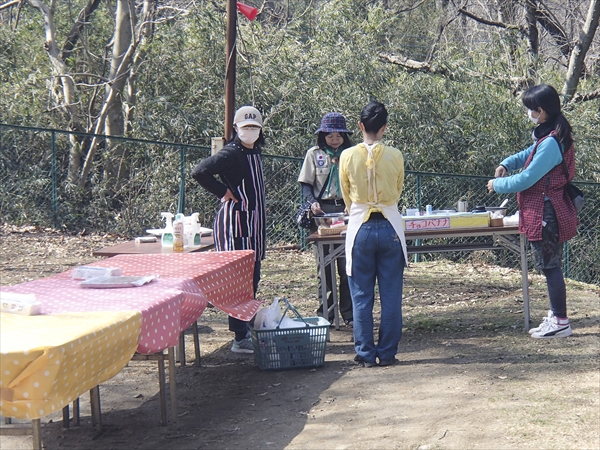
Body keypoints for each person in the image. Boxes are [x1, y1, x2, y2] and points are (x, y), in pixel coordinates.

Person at [487, 84, 578, 339]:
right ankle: (556, 314)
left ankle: (560, 321)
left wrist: (498, 184)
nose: (529, 113)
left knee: (550, 267)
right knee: (550, 266)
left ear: (542, 111)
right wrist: (506, 163)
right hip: (549, 210)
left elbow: (527, 178)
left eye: (531, 109)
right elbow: (528, 154)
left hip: (546, 213)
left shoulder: (550, 143)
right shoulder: (551, 135)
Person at [191, 106, 267, 353]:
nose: (250, 132)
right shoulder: (231, 153)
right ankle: (239, 337)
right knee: (240, 281)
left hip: (253, 224)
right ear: (236, 129)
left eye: (254, 127)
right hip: (237, 224)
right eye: (245, 128)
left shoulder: (254, 152)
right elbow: (200, 171)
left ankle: (245, 329)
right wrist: (223, 192)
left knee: (252, 278)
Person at [339, 102, 408, 367]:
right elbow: (399, 188)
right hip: (390, 224)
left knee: (361, 295)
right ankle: (388, 352)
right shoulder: (395, 155)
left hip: (360, 227)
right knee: (391, 295)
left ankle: (366, 353)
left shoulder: (347, 155)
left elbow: (345, 192)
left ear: (360, 126)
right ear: (384, 128)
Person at [298, 112, 354, 326]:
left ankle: (348, 314)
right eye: (330, 135)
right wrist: (312, 202)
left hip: (345, 210)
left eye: (338, 135)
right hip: (322, 212)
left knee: (347, 264)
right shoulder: (314, 154)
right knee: (324, 266)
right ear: (322, 136)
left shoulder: (351, 154)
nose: (334, 139)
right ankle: (326, 314)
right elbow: (306, 183)